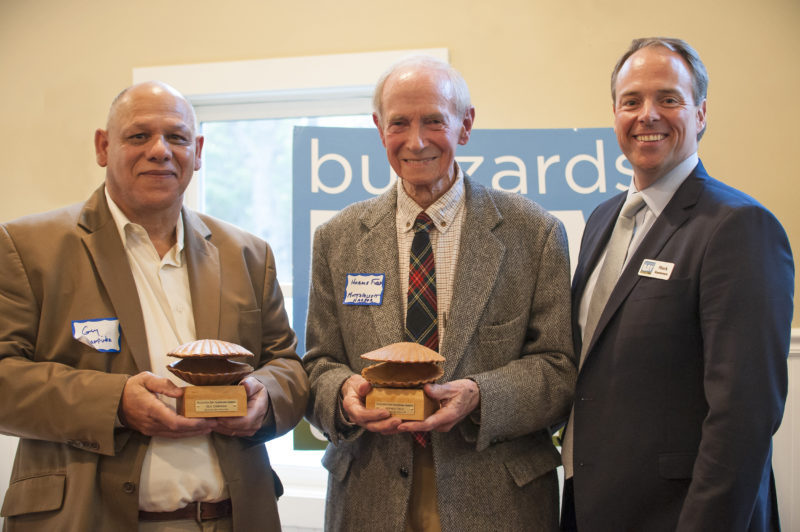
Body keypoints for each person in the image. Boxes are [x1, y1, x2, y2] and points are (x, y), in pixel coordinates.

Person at [0, 81, 309, 531]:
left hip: (231, 518)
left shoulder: (247, 253)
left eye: (177, 137)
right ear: (104, 146)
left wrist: (266, 397)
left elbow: (287, 365)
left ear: (198, 151)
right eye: (139, 136)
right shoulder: (29, 248)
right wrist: (116, 403)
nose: (160, 150)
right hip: (89, 519)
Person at [303, 55, 576, 531]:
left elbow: (557, 368)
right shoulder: (337, 239)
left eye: (434, 120)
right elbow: (318, 363)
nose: (416, 140)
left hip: (497, 500)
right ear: (378, 128)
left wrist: (478, 395)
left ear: (465, 125)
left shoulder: (534, 233)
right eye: (399, 124)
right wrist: (344, 392)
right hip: (370, 497)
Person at [560, 38, 794, 532]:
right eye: (631, 101)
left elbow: (744, 417)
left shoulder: (738, 226)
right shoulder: (603, 219)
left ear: (701, 112)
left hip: (682, 515)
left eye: (668, 99)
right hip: (594, 506)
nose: (648, 115)